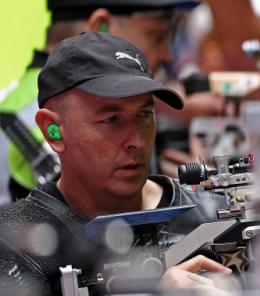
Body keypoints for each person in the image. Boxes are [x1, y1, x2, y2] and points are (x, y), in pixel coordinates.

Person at [0, 31, 260, 296]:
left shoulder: (217, 214)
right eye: (110, 120)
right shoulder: (17, 242)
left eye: (144, 115)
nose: (136, 139)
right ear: (53, 130)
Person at [0, 0, 237, 204]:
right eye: (157, 34)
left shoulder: (21, 104)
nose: (168, 55)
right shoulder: (39, 124)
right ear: (100, 28)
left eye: (144, 115)